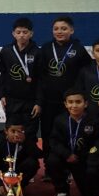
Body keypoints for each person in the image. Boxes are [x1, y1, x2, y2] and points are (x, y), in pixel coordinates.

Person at [33, 15, 91, 157]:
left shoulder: (79, 49)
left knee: (70, 132)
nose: (59, 31)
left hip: (71, 103)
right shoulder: (45, 49)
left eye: (64, 29)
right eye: (56, 29)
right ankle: (49, 163)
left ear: (71, 30)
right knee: (47, 132)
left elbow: (88, 74)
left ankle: (71, 162)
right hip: (49, 101)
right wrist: (39, 100)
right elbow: (39, 77)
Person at [44, 89, 99, 196]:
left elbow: (97, 144)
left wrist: (85, 157)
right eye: (70, 102)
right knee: (52, 160)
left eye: (78, 102)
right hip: (66, 157)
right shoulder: (60, 120)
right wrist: (67, 154)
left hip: (83, 160)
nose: (74, 105)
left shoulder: (94, 121)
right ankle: (62, 191)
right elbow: (54, 141)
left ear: (85, 103)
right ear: (65, 104)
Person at [0, 17, 40, 137]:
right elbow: (3, 75)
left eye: (25, 32)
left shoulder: (37, 52)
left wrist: (39, 102)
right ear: (13, 34)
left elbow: (41, 80)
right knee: (12, 133)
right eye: (18, 32)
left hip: (31, 101)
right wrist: (2, 95)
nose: (22, 35)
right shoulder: (6, 51)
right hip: (12, 100)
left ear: (31, 34)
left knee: (30, 134)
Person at [0, 118, 41, 196]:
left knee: (32, 163)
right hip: (1, 174)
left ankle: (18, 186)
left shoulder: (26, 139)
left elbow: (39, 155)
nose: (16, 135)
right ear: (6, 131)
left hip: (17, 172)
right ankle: (6, 189)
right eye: (13, 131)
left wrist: (25, 142)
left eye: (19, 131)